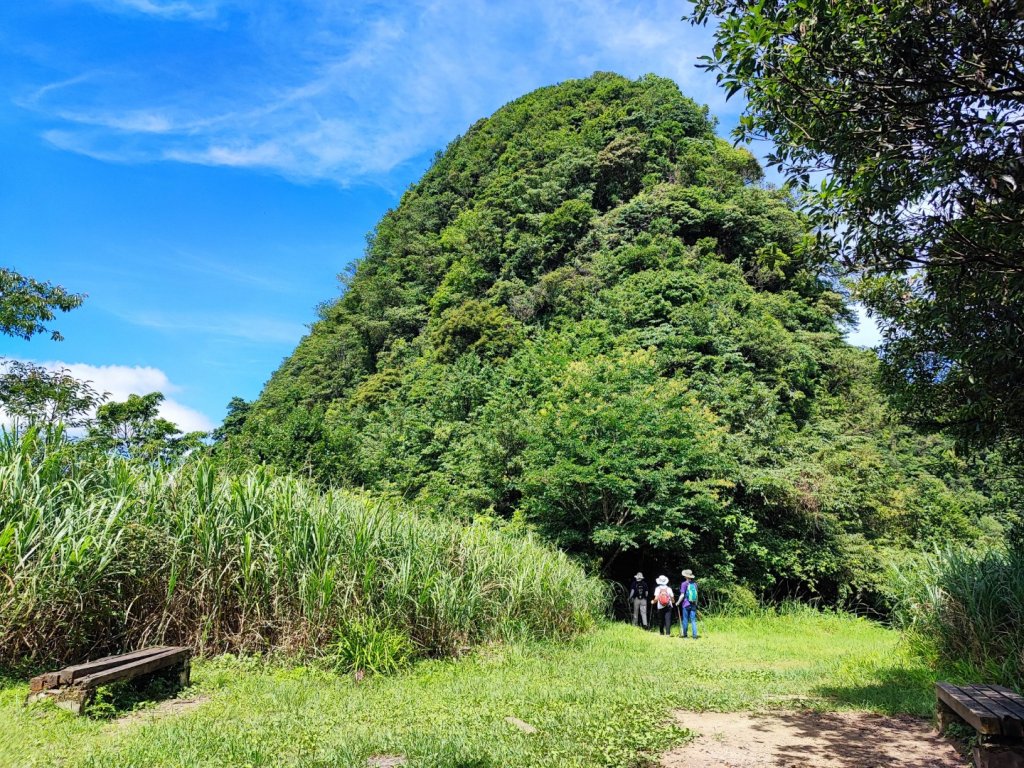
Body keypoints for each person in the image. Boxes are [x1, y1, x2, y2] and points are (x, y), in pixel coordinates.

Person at [677, 569, 699, 639]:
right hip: (693, 604)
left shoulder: (684, 584)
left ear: (686, 576)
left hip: (685, 604)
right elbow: (697, 595)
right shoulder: (695, 584)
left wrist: (678, 602)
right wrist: (696, 604)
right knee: (693, 620)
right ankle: (695, 636)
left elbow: (682, 595)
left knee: (685, 620)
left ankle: (685, 636)